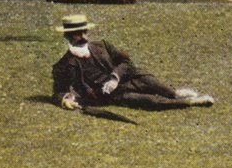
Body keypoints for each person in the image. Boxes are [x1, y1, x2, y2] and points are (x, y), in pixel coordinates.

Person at [52, 14, 214, 110]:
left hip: (128, 80)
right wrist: (65, 99)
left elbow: (126, 62)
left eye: (85, 32)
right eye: (78, 34)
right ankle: (190, 102)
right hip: (111, 95)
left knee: (155, 85)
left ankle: (176, 94)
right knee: (146, 101)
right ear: (68, 36)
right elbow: (58, 90)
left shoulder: (102, 46)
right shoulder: (63, 65)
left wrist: (115, 78)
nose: (84, 37)